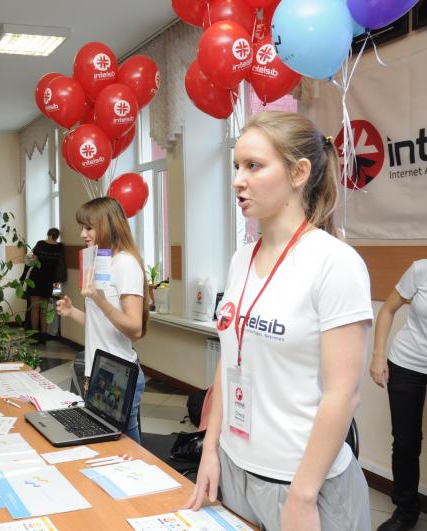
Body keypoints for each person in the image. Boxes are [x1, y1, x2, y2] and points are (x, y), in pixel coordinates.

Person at [185, 111, 373, 530]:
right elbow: (229, 361)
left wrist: (303, 496)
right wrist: (211, 449)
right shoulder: (240, 259)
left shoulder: (334, 263)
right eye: (236, 166)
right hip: (236, 470)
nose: (238, 179)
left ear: (298, 173)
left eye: (254, 166)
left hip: (304, 484)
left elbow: (343, 395)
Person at [56, 197, 149, 443]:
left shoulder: (125, 264)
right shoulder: (102, 261)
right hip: (99, 371)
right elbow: (101, 324)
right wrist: (72, 311)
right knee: (108, 443)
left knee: (126, 446)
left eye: (88, 227)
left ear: (107, 225)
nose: (82, 233)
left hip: (119, 374)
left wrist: (100, 300)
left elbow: (134, 328)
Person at [369, 259, 427, 531]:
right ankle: (406, 511)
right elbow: (388, 310)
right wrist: (379, 355)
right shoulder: (420, 269)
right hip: (407, 364)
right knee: (406, 443)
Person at [24, 227, 66, 339]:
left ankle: (34, 335)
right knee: (45, 309)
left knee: (34, 308)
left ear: (48, 234)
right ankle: (44, 335)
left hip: (36, 278)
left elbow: (33, 260)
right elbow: (59, 266)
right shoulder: (59, 247)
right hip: (49, 280)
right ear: (57, 236)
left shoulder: (41, 244)